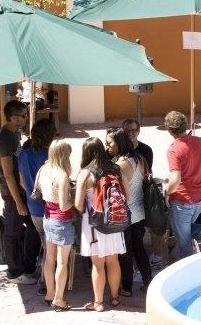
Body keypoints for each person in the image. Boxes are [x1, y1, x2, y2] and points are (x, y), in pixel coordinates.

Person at [75, 137, 127, 312]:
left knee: (98, 264)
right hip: (115, 221)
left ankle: (98, 303)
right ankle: (114, 297)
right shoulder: (116, 169)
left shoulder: (85, 174)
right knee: (113, 260)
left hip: (94, 225)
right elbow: (128, 196)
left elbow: (78, 204)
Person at [0, 100, 41, 285]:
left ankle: (28, 265)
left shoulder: (14, 134)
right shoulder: (6, 139)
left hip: (20, 191)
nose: (25, 118)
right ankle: (15, 272)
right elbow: (7, 174)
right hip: (11, 193)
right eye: (23, 115)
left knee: (32, 227)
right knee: (12, 232)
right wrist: (18, 201)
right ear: (13, 118)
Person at [105, 127, 151, 296]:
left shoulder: (120, 164)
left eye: (110, 143)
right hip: (139, 211)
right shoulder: (138, 158)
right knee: (139, 248)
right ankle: (148, 282)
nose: (107, 146)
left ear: (119, 143)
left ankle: (126, 287)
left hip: (126, 214)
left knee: (125, 252)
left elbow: (115, 191)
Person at [164, 111, 201, 260]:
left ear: (170, 130)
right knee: (189, 236)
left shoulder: (174, 149)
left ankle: (186, 272)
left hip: (182, 201)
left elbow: (175, 178)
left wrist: (166, 193)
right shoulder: (199, 142)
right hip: (199, 199)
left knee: (184, 243)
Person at [18, 118, 57, 295]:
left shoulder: (24, 154)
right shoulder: (51, 155)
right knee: (48, 246)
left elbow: (22, 181)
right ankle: (44, 282)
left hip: (33, 206)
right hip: (49, 206)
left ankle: (44, 278)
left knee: (44, 241)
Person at [121, 118, 163, 270]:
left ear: (138, 131)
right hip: (127, 195)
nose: (131, 133)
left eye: (134, 130)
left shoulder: (146, 150)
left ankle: (158, 257)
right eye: (128, 130)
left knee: (157, 221)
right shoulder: (119, 149)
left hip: (142, 192)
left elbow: (147, 173)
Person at [38, 140, 75, 311]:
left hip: (47, 218)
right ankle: (59, 299)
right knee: (62, 262)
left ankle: (49, 293)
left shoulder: (44, 169)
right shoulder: (61, 175)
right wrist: (75, 200)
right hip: (62, 221)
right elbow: (63, 205)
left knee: (49, 259)